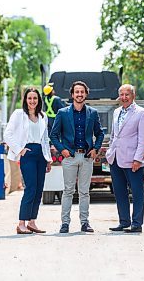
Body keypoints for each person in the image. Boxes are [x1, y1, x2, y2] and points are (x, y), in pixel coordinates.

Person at [50, 81, 104, 233]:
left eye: (82, 92)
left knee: (84, 192)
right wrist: (62, 150)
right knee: (68, 191)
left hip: (86, 157)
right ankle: (65, 223)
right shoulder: (63, 113)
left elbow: (99, 133)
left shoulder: (92, 113)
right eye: (77, 92)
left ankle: (84, 223)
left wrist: (96, 149)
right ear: (72, 95)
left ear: (86, 94)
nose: (79, 94)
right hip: (70, 157)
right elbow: (53, 135)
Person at [4, 88, 52, 234]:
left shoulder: (43, 116)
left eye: (35, 98)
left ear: (39, 100)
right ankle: (21, 223)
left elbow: (45, 139)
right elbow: (7, 134)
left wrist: (48, 158)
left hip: (41, 154)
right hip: (28, 153)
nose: (32, 101)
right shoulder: (19, 114)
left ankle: (32, 222)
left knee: (38, 190)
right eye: (30, 98)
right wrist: (20, 149)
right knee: (30, 188)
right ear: (25, 100)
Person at [106, 84, 144, 233]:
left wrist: (138, 159)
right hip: (116, 159)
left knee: (137, 192)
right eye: (122, 95)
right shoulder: (116, 112)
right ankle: (124, 221)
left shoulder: (142, 113)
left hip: (133, 160)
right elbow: (114, 135)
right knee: (119, 192)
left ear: (133, 96)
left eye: (127, 95)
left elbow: (143, 139)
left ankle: (137, 224)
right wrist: (109, 152)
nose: (124, 98)